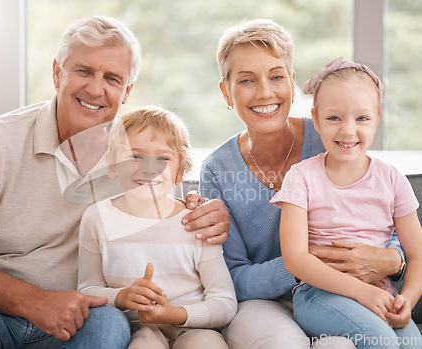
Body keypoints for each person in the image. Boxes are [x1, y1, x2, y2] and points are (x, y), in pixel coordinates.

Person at [0, 16, 230, 348]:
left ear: (126, 91)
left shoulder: (134, 157)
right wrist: (33, 301)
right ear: (57, 72)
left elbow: (177, 208)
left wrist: (211, 213)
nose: (96, 89)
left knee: (110, 323)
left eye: (112, 78)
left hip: (76, 321)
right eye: (84, 71)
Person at [200, 19, 407, 348]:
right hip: (263, 304)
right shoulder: (217, 170)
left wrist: (394, 260)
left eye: (276, 76)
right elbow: (231, 278)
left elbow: (384, 212)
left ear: (292, 82)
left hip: (343, 292)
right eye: (247, 80)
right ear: (227, 91)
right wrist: (303, 263)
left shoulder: (333, 133)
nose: (265, 91)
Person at [271, 56, 422, 348]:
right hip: (319, 294)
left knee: (412, 344)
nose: (348, 130)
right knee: (383, 342)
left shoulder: (392, 180)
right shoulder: (301, 177)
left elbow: (416, 254)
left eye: (362, 118)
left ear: (378, 116)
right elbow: (295, 259)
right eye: (334, 118)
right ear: (315, 118)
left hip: (381, 293)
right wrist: (362, 292)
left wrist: (408, 299)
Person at [78, 106, 237, 348]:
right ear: (112, 164)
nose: (149, 168)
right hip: (138, 329)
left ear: (181, 170)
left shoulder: (197, 221)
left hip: (195, 326)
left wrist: (175, 314)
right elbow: (88, 290)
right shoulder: (96, 219)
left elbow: (224, 302)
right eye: (135, 156)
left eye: (162, 158)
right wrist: (122, 296)